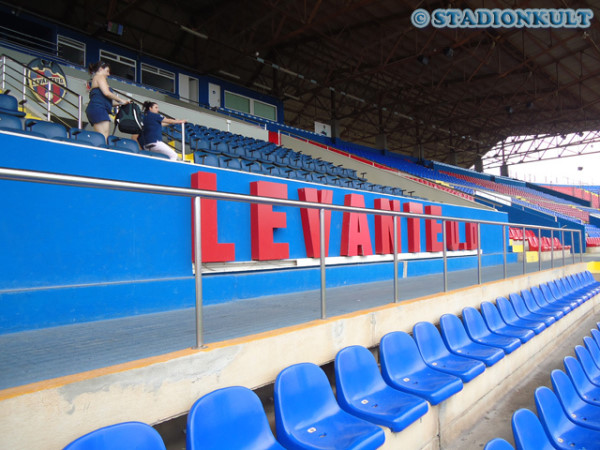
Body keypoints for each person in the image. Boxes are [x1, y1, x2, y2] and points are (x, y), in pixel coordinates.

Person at [85, 61, 128, 141]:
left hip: (97, 108)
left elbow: (109, 102)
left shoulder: (96, 78)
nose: (108, 74)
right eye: (107, 71)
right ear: (101, 69)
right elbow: (106, 93)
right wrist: (121, 100)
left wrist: (121, 103)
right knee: (104, 136)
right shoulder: (99, 77)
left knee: (103, 135)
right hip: (98, 108)